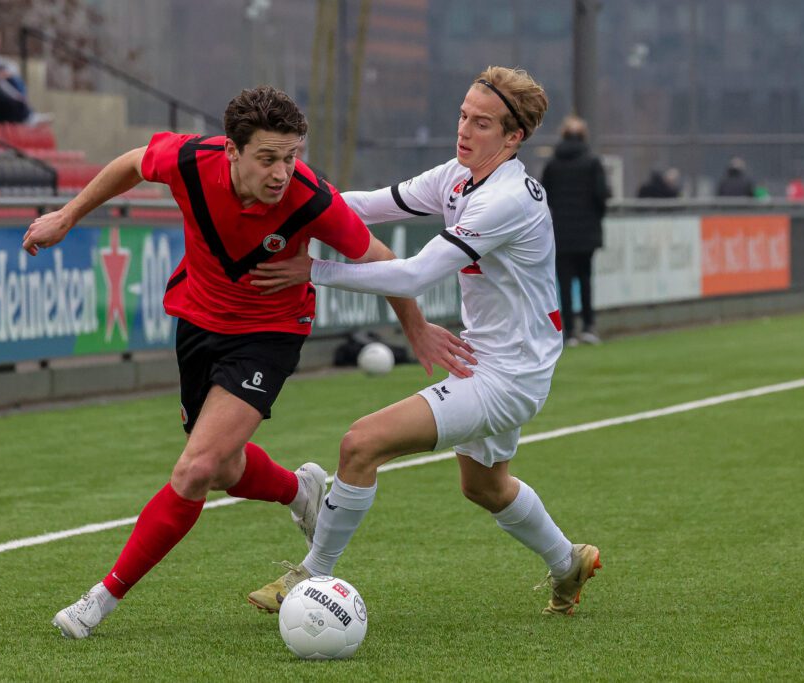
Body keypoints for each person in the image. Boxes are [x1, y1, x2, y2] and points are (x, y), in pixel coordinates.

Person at [23, 86, 471, 639]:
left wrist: (416, 328)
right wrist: (67, 216)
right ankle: (299, 491)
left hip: (270, 332)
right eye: (267, 158)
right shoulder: (191, 160)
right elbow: (133, 162)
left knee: (195, 469)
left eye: (291, 156)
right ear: (232, 151)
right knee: (222, 468)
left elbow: (380, 258)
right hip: (197, 321)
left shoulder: (310, 197)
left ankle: (101, 598)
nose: (282, 172)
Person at [246, 67, 601, 618]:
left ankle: (312, 573)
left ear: (513, 138)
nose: (464, 129)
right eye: (463, 115)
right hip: (493, 358)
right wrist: (288, 197)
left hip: (508, 374)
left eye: (481, 123)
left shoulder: (506, 199)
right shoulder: (460, 175)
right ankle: (567, 561)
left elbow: (413, 275)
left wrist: (313, 270)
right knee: (485, 487)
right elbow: (365, 205)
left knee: (360, 444)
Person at [540, 115, 609, 346]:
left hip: (560, 231)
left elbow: (544, 195)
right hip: (587, 231)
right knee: (586, 278)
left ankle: (568, 331)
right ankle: (588, 326)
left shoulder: (552, 164)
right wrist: (596, 218)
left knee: (564, 282)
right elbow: (601, 195)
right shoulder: (592, 162)